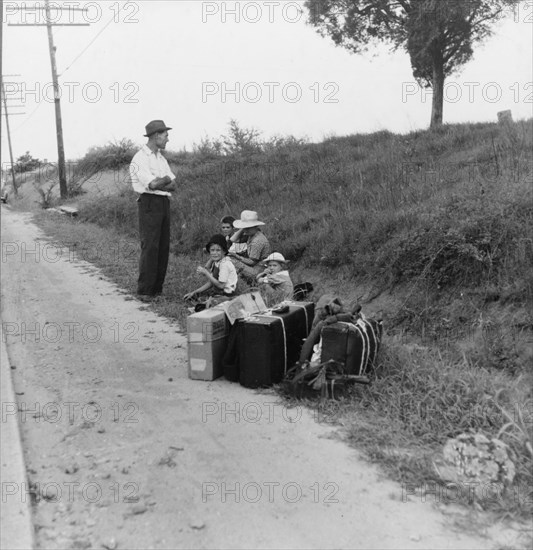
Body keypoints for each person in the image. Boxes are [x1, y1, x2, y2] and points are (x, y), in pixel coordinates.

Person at [129, 120, 178, 298]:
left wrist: (160, 181)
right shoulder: (140, 158)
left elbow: (172, 185)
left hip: (164, 202)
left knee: (163, 246)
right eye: (166, 136)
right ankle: (145, 290)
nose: (167, 140)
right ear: (157, 135)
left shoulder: (161, 158)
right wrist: (162, 180)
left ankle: (157, 289)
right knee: (150, 246)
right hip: (149, 203)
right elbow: (151, 183)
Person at [183, 234, 238, 303]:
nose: (215, 253)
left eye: (218, 250)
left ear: (224, 251)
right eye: (212, 250)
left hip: (228, 295)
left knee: (205, 303)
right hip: (219, 293)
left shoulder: (225, 264)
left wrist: (206, 272)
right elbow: (211, 283)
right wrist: (194, 292)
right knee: (196, 297)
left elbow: (221, 285)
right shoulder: (217, 262)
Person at [228, 210, 271, 283]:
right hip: (257, 268)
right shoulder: (253, 234)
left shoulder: (257, 241)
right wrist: (243, 228)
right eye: (244, 227)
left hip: (259, 271)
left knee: (230, 260)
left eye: (248, 227)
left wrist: (235, 256)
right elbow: (233, 239)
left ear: (255, 226)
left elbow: (252, 262)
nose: (245, 230)